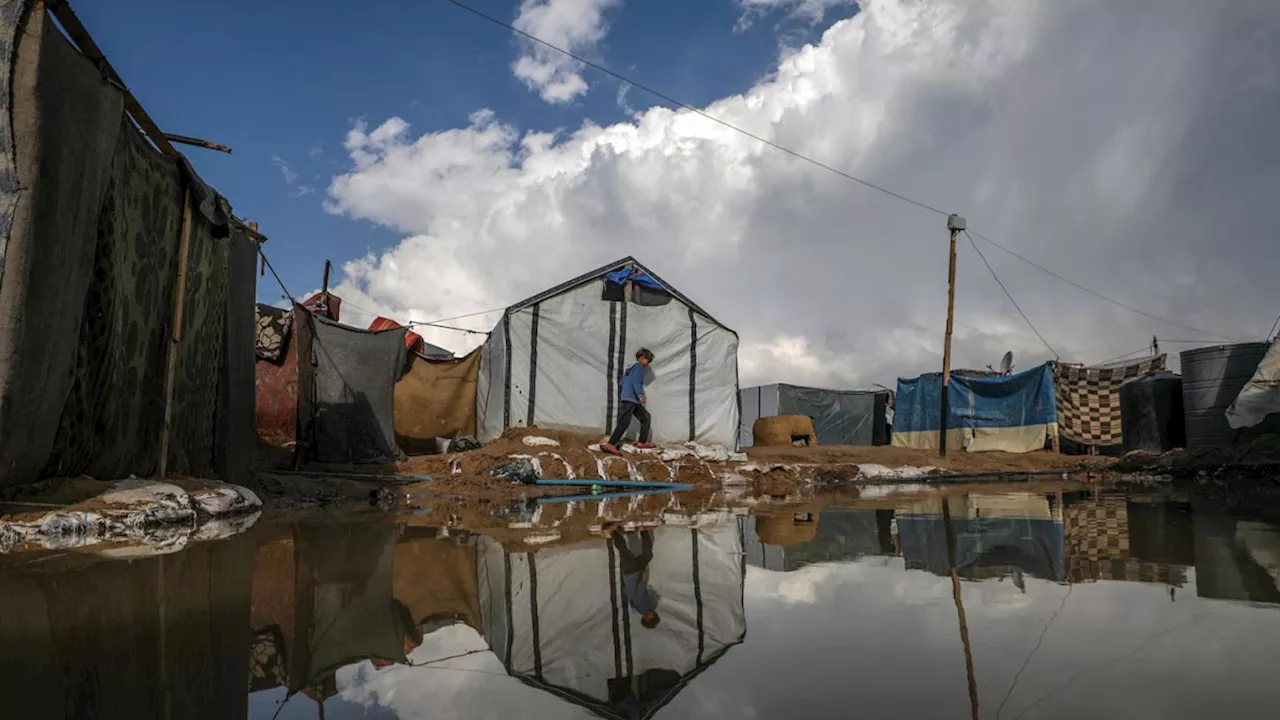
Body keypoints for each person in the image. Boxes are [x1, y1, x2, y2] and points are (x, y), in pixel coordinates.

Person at [602, 522, 661, 629]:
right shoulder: (639, 609)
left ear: (646, 618)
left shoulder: (643, 608)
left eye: (651, 617)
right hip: (632, 575)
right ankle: (643, 530)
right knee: (646, 555)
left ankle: (611, 531)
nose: (653, 614)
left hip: (632, 574)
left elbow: (639, 592)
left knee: (626, 553)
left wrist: (643, 580)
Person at [602, 348, 655, 455]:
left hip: (630, 399)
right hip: (632, 398)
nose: (647, 363)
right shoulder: (639, 367)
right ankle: (611, 444)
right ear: (642, 358)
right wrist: (640, 395)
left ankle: (642, 442)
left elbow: (621, 383)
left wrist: (627, 392)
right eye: (647, 360)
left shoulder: (629, 369)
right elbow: (637, 382)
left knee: (645, 417)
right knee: (624, 421)